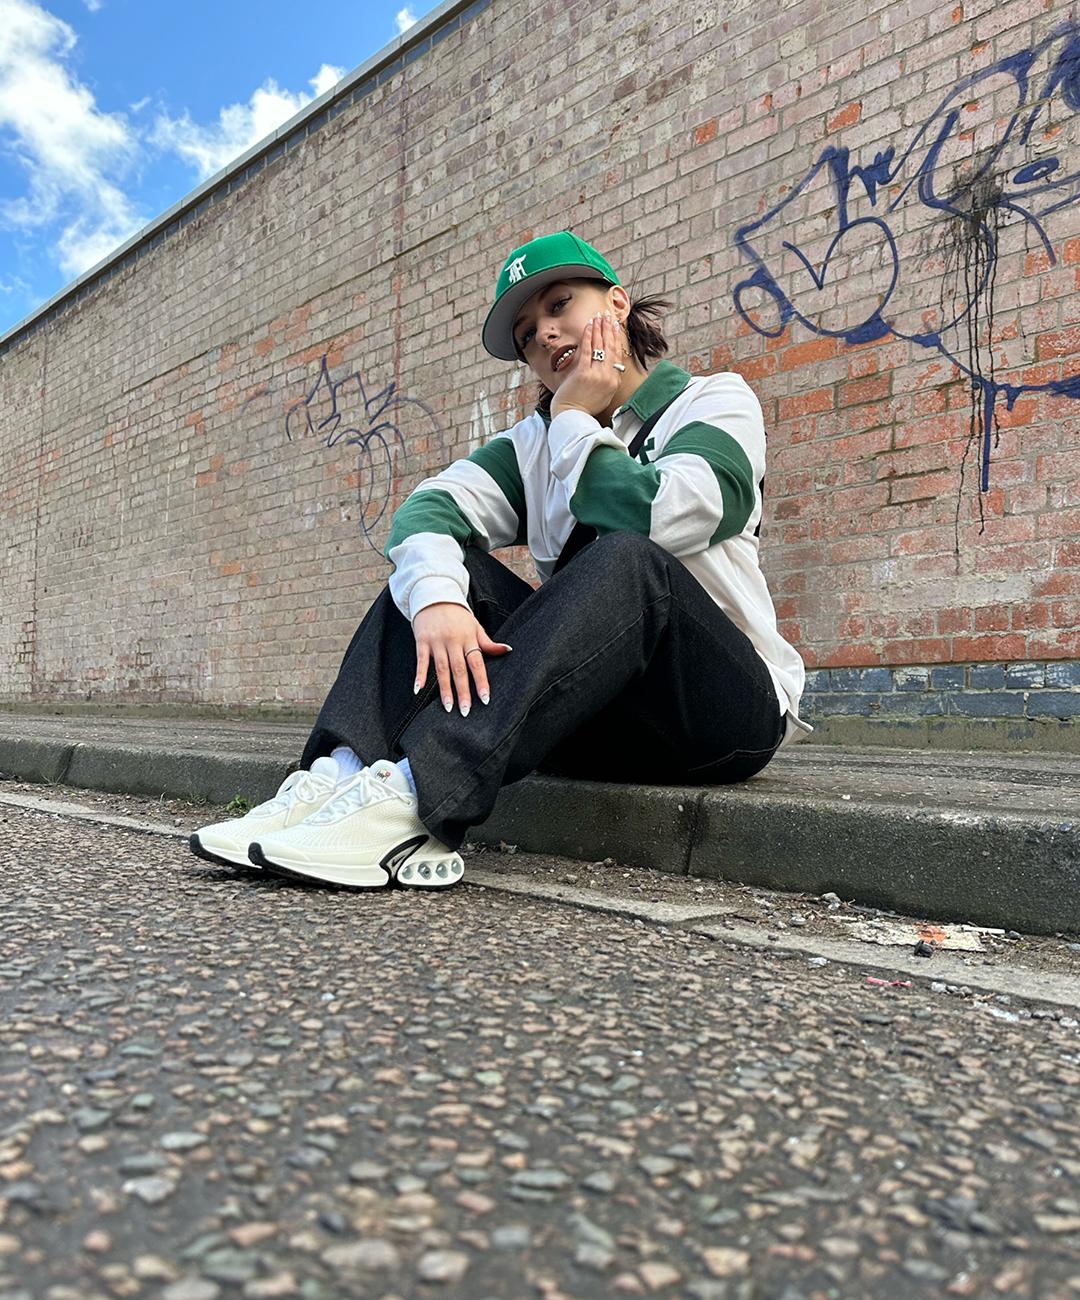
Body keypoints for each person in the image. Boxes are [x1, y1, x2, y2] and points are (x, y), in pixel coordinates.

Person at [190, 231, 809, 890]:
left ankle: (415, 802)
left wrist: (574, 417)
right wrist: (438, 600)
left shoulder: (713, 402)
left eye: (560, 305)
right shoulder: (530, 446)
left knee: (628, 557)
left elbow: (654, 515)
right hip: (591, 719)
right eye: (526, 335)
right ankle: (334, 778)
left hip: (720, 717)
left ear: (617, 304)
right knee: (437, 571)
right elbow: (426, 511)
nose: (544, 334)